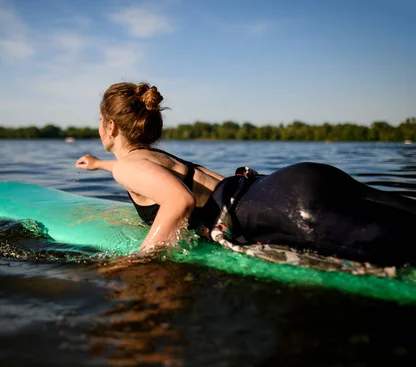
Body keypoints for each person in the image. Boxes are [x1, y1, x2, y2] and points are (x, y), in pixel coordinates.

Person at [75, 82, 416, 267]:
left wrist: (142, 257)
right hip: (293, 180)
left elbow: (178, 200)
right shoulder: (152, 159)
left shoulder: (130, 167)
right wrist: (99, 164)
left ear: (109, 125)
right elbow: (157, 178)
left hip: (287, 210)